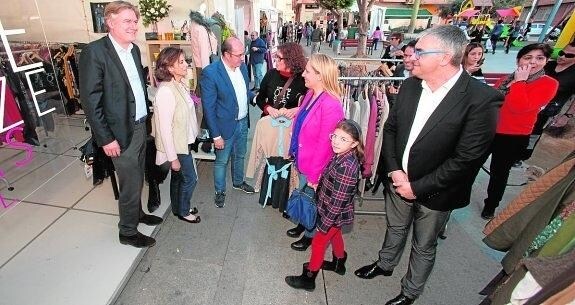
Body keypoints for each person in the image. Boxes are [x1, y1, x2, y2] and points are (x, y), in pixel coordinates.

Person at [354, 25, 503, 305]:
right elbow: (391, 130)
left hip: (437, 191)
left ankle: (410, 292)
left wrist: (416, 187)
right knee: (395, 228)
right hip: (398, 180)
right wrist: (395, 169)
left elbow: (467, 158)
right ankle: (385, 264)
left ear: (445, 57)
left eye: (420, 51)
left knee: (423, 245)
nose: (411, 56)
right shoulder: (410, 86)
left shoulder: (481, 99)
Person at [79, 1, 163, 248]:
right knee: (130, 181)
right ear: (110, 22)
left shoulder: (134, 50)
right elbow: (90, 102)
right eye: (127, 21)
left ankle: (136, 215)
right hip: (117, 132)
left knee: (136, 176)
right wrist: (105, 138)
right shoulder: (95, 52)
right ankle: (127, 231)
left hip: (139, 125)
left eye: (135, 21)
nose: (133, 26)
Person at [482, 43, 559, 219]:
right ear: (519, 60)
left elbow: (519, 107)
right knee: (470, 165)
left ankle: (490, 205)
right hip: (489, 130)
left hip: (513, 136)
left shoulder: (549, 84)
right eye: (528, 57)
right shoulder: (505, 79)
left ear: (546, 61)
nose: (533, 62)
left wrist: (520, 82)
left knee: (499, 173)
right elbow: (491, 103)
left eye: (539, 58)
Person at [285, 120, 363, 291]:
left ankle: (309, 278)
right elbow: (334, 185)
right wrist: (319, 184)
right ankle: (339, 262)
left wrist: (323, 225)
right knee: (336, 236)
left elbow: (337, 202)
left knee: (319, 243)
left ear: (355, 143)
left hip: (332, 213)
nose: (336, 141)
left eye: (343, 139)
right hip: (332, 211)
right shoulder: (342, 155)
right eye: (335, 136)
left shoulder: (347, 167)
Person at [285, 54, 345, 251]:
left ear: (320, 76)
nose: (303, 74)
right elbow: (300, 124)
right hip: (304, 159)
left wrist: (315, 174)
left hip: (316, 165)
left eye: (308, 71)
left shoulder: (331, 104)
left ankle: (310, 234)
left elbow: (326, 145)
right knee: (304, 194)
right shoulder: (311, 94)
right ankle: (303, 224)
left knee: (313, 201)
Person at [201, 37, 256, 208]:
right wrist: (216, 135)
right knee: (222, 161)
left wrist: (254, 97)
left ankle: (238, 183)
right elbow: (208, 108)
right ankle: (220, 191)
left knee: (240, 155)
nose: (242, 58)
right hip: (224, 127)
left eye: (243, 54)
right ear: (226, 54)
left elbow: (243, 92)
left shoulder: (243, 68)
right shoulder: (211, 73)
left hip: (242, 122)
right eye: (238, 55)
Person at [152, 47, 201, 224]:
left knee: (179, 179)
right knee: (190, 179)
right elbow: (164, 129)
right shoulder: (166, 91)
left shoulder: (178, 84)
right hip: (177, 146)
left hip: (184, 142)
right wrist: (173, 158)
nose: (186, 65)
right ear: (169, 68)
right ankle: (184, 210)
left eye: (185, 61)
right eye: (180, 62)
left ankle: (178, 207)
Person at [530, 42, 575, 139]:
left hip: (547, 114)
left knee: (532, 139)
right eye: (561, 52)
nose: (562, 56)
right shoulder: (548, 65)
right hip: (528, 108)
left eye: (569, 55)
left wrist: (567, 116)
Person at [256, 42, 307, 119]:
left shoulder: (303, 78)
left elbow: (311, 105)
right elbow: (260, 98)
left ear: (290, 60)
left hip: (290, 126)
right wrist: (268, 108)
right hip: (271, 123)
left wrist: (298, 110)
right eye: (275, 56)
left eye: (279, 58)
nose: (275, 59)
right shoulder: (271, 74)